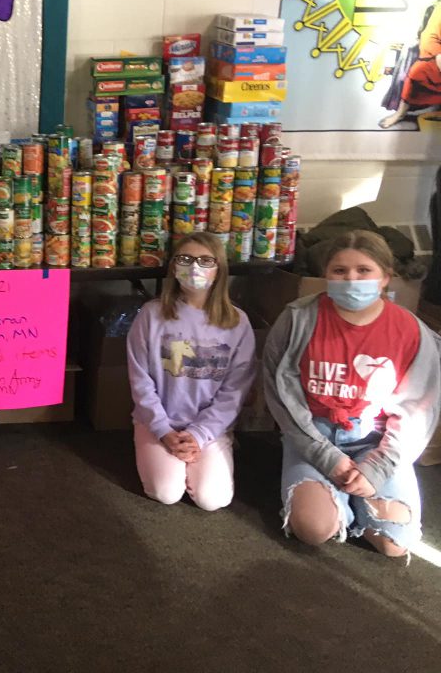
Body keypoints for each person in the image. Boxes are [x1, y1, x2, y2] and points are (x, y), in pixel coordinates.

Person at [264, 230, 441, 557]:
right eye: (340, 271)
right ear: (325, 275)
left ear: (385, 277)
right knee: (314, 529)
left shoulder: (410, 331)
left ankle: (356, 493)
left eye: (363, 270)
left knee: (393, 545)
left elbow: (418, 412)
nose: (351, 279)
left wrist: (376, 468)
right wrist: (327, 459)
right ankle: (333, 496)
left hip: (374, 439)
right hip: (312, 435)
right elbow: (281, 392)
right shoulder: (298, 318)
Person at [126, 232, 256, 510]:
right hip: (158, 422)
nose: (194, 268)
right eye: (185, 259)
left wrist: (200, 433)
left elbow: (235, 390)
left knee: (213, 500)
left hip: (210, 427)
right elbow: (140, 380)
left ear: (219, 270)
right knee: (166, 492)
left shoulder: (237, 322)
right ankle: (164, 454)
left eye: (205, 261)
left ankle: (200, 453)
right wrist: (162, 429)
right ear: (173, 267)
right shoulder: (150, 315)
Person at [379, 0, 441, 128]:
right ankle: (400, 113)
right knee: (416, 74)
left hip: (431, 54)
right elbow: (430, 38)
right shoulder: (435, 11)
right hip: (430, 56)